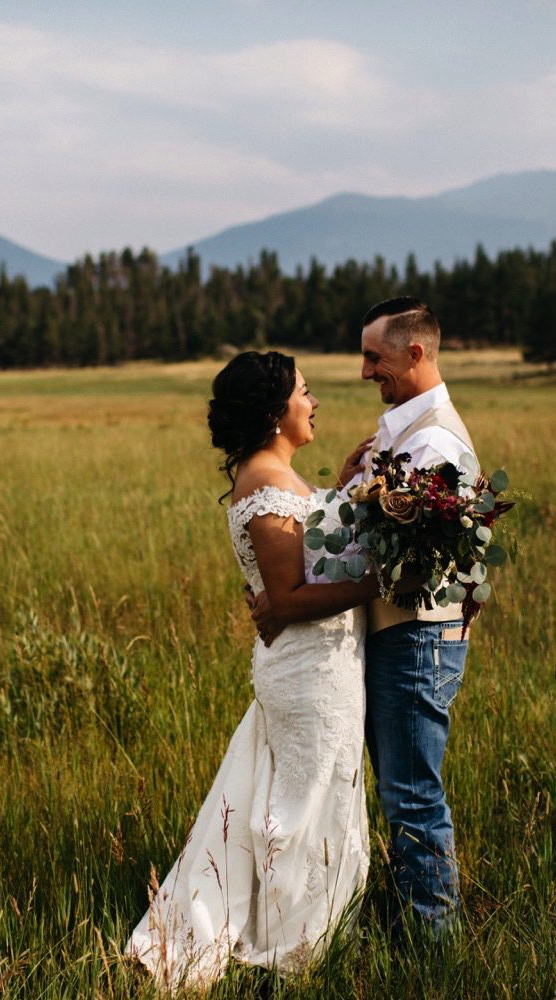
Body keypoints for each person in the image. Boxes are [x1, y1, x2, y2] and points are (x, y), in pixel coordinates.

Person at [126, 350, 381, 989]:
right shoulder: (263, 484)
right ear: (275, 412)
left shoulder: (277, 476)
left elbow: (305, 545)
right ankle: (293, 950)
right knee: (303, 806)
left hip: (323, 666)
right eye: (304, 391)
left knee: (312, 794)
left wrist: (344, 492)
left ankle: (298, 932)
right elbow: (290, 598)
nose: (314, 400)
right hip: (308, 674)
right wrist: (381, 581)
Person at [253, 296, 477, 937]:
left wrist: (287, 598)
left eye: (373, 358)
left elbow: (401, 561)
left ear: (414, 353)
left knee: (411, 793)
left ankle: (432, 941)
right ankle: (409, 916)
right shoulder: (400, 430)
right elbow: (358, 536)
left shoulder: (432, 442)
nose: (361, 373)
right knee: (397, 788)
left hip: (419, 637)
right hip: (393, 633)